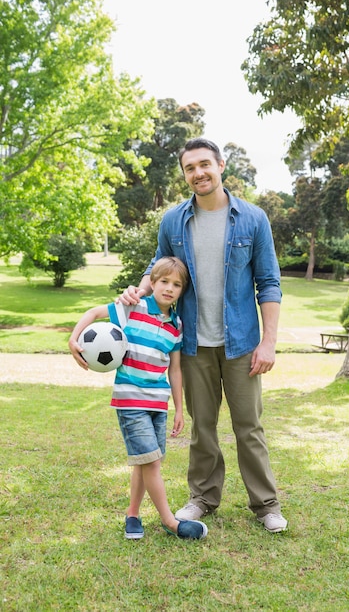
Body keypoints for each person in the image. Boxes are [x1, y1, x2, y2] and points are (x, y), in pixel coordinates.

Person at [120, 138, 287, 533]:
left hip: (242, 343)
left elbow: (269, 282)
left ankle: (266, 505)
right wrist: (138, 291)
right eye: (190, 168)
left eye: (204, 165)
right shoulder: (173, 221)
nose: (198, 173)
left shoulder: (252, 218)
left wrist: (268, 341)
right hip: (192, 343)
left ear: (221, 165)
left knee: (249, 427)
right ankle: (203, 498)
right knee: (203, 427)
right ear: (185, 175)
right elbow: (157, 267)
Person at [68, 256, 208, 541]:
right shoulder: (133, 307)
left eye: (177, 284)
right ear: (152, 283)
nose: (169, 288)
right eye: (164, 281)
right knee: (151, 462)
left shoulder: (176, 325)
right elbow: (94, 313)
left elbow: (176, 368)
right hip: (130, 399)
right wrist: (74, 338)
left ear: (182, 291)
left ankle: (133, 515)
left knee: (146, 461)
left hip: (158, 402)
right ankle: (170, 521)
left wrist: (179, 409)